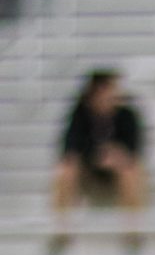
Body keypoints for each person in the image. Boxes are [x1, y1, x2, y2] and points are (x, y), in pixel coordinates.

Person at [52, 68, 148, 226]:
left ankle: (133, 228)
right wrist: (97, 155)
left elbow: (134, 149)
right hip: (88, 172)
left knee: (131, 169)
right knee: (65, 169)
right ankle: (62, 227)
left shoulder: (127, 116)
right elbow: (70, 147)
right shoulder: (79, 115)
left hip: (117, 172)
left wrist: (116, 156)